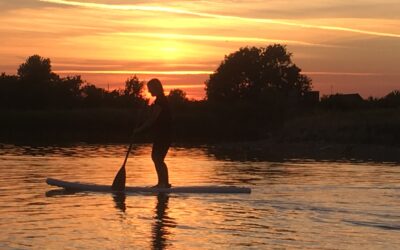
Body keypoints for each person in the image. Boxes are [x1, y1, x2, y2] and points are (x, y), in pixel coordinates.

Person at [133, 78, 172, 188]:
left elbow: (152, 119)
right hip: (162, 134)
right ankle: (163, 183)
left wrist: (139, 130)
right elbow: (152, 116)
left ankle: (163, 183)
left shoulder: (161, 101)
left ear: (156, 88)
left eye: (150, 89)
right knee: (157, 158)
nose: (149, 91)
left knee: (157, 158)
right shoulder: (160, 100)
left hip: (164, 135)